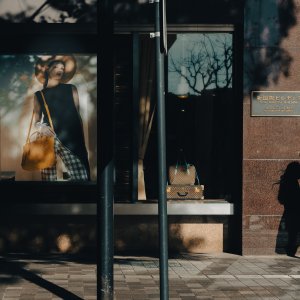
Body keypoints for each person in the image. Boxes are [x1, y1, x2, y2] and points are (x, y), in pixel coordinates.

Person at [33, 56, 90, 181]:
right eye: (56, 67)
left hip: (71, 136)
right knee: (48, 177)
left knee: (80, 175)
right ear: (48, 70)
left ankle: (83, 198)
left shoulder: (71, 88)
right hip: (48, 136)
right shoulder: (39, 94)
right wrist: (41, 127)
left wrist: (81, 141)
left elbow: (77, 115)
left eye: (62, 68)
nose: (60, 70)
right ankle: (49, 199)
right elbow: (36, 119)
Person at [277, 161, 300, 257]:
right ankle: (290, 250)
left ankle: (290, 250)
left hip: (291, 211)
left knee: (293, 233)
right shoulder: (291, 182)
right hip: (294, 211)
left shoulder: (288, 181)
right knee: (293, 233)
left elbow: (281, 198)